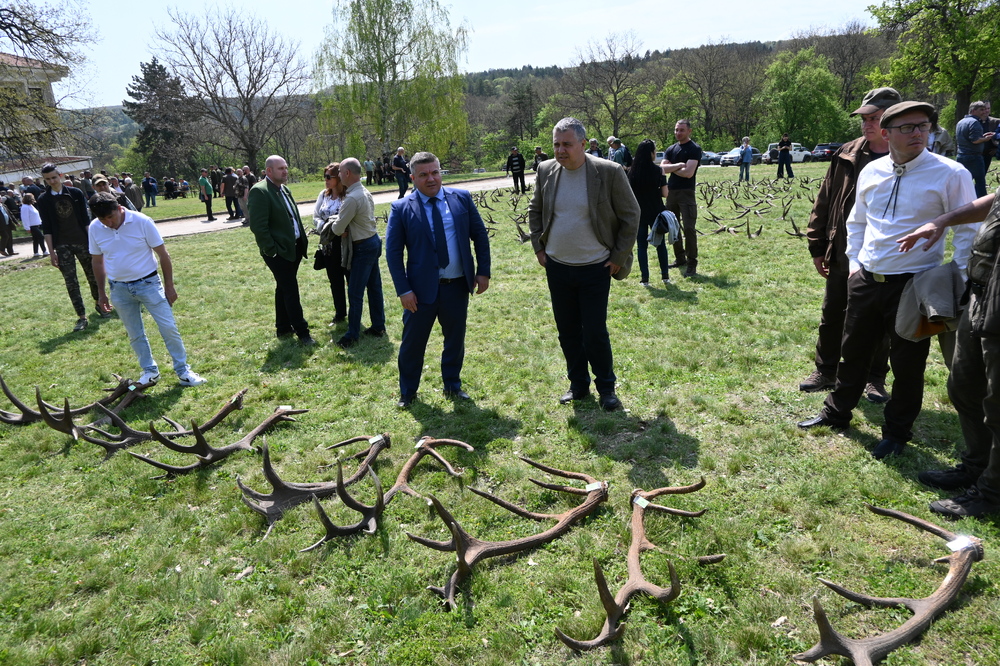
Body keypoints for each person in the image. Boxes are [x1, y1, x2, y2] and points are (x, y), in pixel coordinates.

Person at [797, 101, 978, 459]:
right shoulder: (873, 171)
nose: (917, 133)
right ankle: (837, 413)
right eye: (907, 128)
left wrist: (955, 277)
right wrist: (854, 265)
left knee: (908, 363)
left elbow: (969, 230)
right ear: (886, 133)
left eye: (923, 126)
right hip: (866, 277)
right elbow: (858, 222)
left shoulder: (950, 173)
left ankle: (896, 432)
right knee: (853, 351)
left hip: (916, 283)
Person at [896, 192, 1000, 517]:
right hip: (981, 296)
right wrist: (942, 220)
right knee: (964, 386)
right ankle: (976, 467)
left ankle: (992, 494)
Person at [528, 117, 640, 411]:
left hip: (596, 267)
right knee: (567, 330)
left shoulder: (609, 171)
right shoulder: (546, 170)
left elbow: (631, 215)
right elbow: (535, 209)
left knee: (594, 331)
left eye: (566, 144)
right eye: (556, 144)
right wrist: (539, 247)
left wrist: (617, 256)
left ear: (582, 144)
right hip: (558, 266)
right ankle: (578, 385)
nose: (560, 150)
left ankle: (606, 389)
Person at [801, 87, 900, 401]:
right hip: (842, 250)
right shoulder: (847, 154)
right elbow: (824, 201)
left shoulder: (905, 157)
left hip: (883, 255)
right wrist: (817, 246)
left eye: (874, 118)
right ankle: (826, 370)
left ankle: (874, 377)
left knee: (879, 320)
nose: (867, 124)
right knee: (833, 312)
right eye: (864, 118)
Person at [385, 151, 491, 407]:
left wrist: (483, 271)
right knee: (412, 344)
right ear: (412, 178)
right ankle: (408, 392)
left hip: (456, 285)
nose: (431, 179)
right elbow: (393, 253)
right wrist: (403, 290)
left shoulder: (461, 199)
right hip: (419, 292)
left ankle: (452, 386)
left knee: (455, 340)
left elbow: (479, 235)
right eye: (423, 175)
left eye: (435, 172)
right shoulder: (401, 208)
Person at [87, 192, 207, 388]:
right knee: (135, 333)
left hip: (149, 283)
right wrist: (101, 293)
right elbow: (97, 261)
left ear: (119, 208)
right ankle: (149, 372)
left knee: (168, 328)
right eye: (103, 219)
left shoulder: (142, 221)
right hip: (119, 288)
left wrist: (169, 286)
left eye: (111, 217)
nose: (108, 223)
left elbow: (163, 255)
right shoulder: (95, 228)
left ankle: (184, 371)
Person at [248, 155, 315, 345]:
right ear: (269, 171)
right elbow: (259, 227)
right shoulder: (260, 191)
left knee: (283, 287)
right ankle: (303, 332)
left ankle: (283, 327)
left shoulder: (284, 189)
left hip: (293, 248)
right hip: (278, 252)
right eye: (281, 168)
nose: (285, 171)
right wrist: (272, 251)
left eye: (286, 168)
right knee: (291, 289)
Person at [37, 163, 107, 331]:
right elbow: (46, 227)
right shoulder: (43, 200)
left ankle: (100, 304)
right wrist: (51, 252)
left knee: (93, 276)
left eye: (54, 177)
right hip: (62, 246)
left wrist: (93, 243)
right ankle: (81, 316)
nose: (52, 181)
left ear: (60, 175)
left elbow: (85, 220)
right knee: (71, 282)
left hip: (82, 242)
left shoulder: (75, 193)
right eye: (47, 179)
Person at [327, 158, 385, 348]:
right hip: (373, 241)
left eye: (340, 172)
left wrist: (336, 223)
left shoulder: (352, 198)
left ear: (347, 174)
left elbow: (336, 229)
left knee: (355, 292)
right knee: (374, 287)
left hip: (363, 246)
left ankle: (352, 335)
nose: (338, 176)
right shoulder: (363, 191)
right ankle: (378, 326)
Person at [661, 119, 704, 277]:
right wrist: (680, 165)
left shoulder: (694, 149)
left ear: (689, 131)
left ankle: (692, 263)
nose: (678, 133)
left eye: (682, 130)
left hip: (686, 193)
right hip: (671, 192)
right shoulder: (671, 148)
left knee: (689, 228)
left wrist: (674, 166)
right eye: (676, 130)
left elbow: (688, 173)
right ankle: (680, 259)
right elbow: (662, 169)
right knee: (673, 228)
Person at [630, 139, 670, 286]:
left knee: (641, 246)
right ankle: (665, 276)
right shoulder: (659, 170)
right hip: (656, 212)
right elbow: (665, 193)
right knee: (660, 245)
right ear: (652, 153)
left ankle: (645, 278)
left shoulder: (632, 172)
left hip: (639, 213)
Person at [313, 162, 348, 325]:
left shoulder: (347, 196)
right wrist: (326, 227)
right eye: (324, 176)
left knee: (351, 280)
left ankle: (355, 313)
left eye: (329, 177)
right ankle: (340, 313)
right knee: (335, 281)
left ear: (339, 178)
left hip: (346, 243)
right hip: (328, 244)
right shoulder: (323, 195)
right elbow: (316, 217)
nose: (326, 180)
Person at [955, 101, 995, 198]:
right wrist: (986, 139)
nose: (984, 112)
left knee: (964, 181)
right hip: (974, 157)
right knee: (980, 183)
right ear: (973, 111)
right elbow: (975, 140)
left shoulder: (961, 122)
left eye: (985, 109)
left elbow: (968, 137)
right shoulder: (975, 122)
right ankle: (983, 207)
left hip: (961, 156)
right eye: (981, 110)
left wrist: (982, 136)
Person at [20, 193, 46, 257]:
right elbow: (25, 218)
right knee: (41, 237)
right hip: (32, 225)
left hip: (36, 224)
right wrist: (27, 227)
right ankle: (44, 251)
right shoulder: (25, 207)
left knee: (36, 239)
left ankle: (36, 252)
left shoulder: (30, 206)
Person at [982, 101, 999, 173]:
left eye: (988, 108)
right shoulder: (974, 122)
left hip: (988, 154)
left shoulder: (996, 122)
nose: (987, 110)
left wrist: (996, 149)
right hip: (975, 154)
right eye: (984, 108)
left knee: (982, 176)